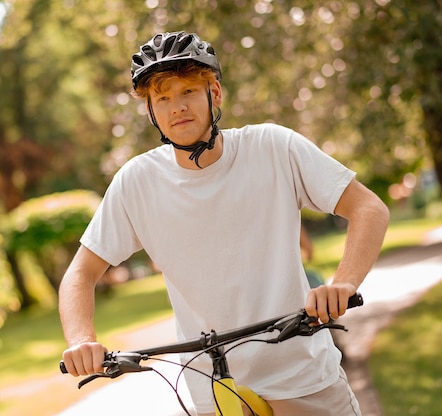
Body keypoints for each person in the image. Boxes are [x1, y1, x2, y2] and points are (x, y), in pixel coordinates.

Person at [59, 31, 389, 416]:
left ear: (214, 94)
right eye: (162, 98)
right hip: (214, 389)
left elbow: (369, 209)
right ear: (150, 110)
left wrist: (343, 282)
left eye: (188, 92)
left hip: (301, 373)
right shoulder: (137, 183)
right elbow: (81, 272)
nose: (176, 107)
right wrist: (82, 339)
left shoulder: (273, 148)